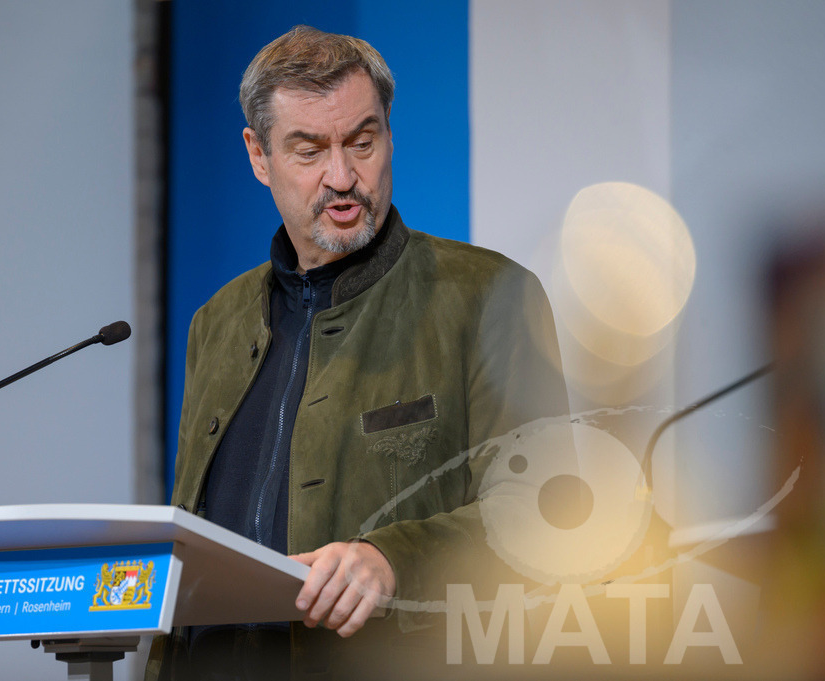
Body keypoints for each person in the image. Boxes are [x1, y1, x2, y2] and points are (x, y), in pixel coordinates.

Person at [146, 25, 569, 681]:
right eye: (309, 150)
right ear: (258, 156)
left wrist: (393, 557)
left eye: (362, 142)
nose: (342, 177)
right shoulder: (217, 323)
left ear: (389, 136)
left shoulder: (490, 297)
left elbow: (547, 515)